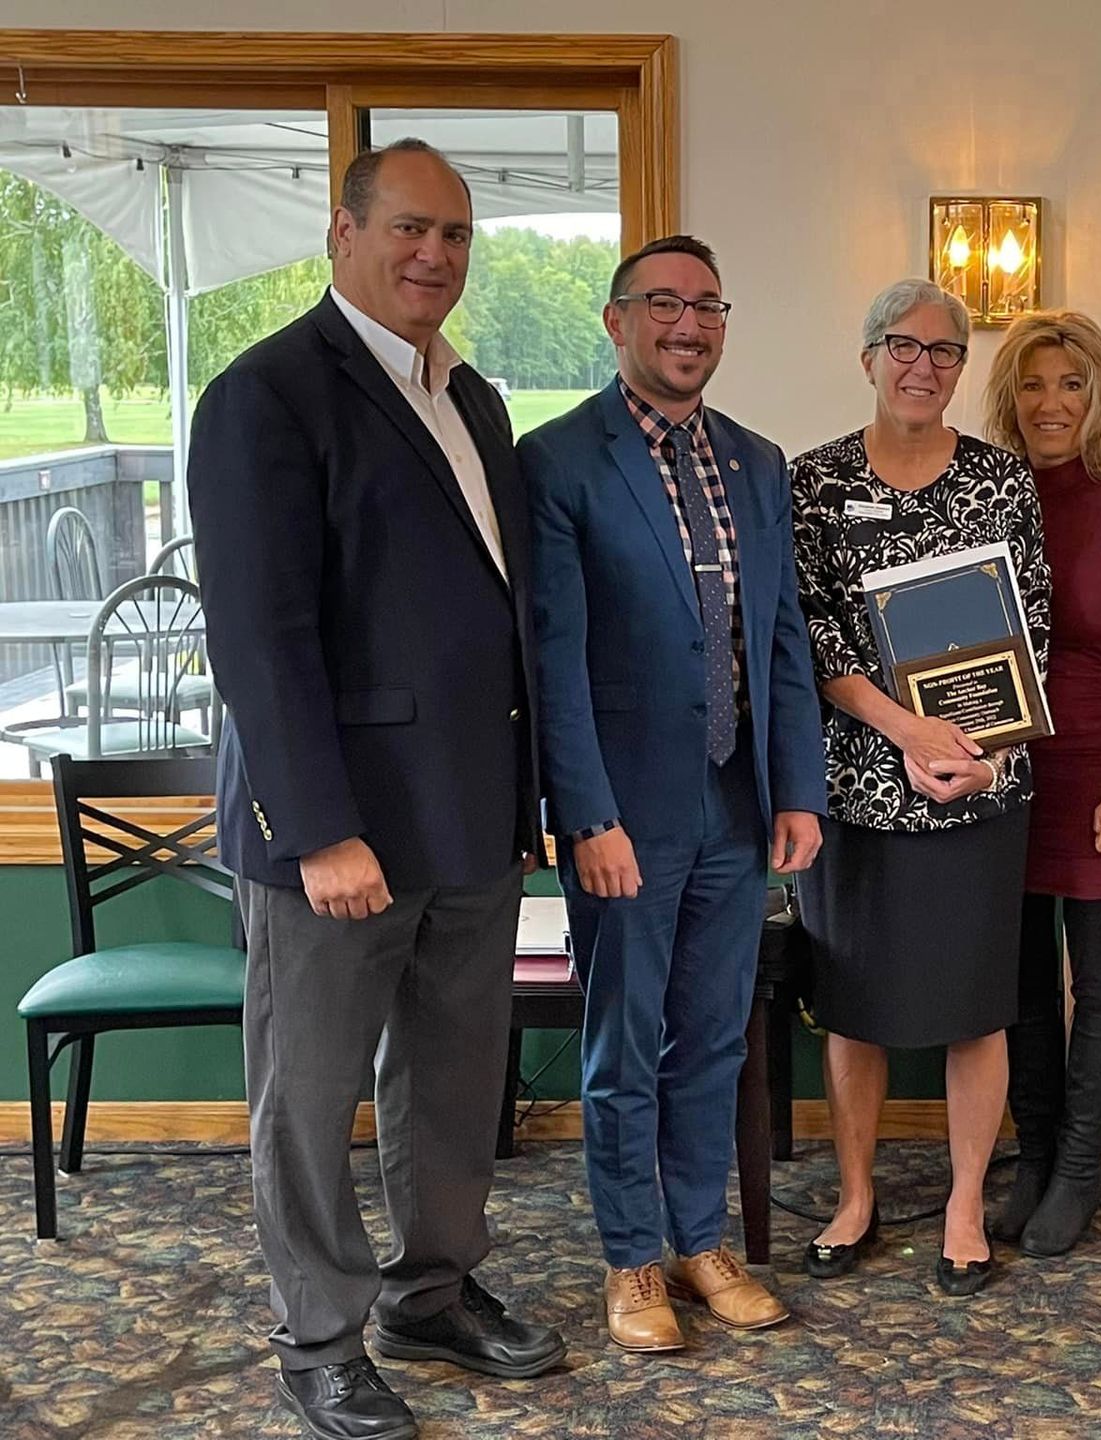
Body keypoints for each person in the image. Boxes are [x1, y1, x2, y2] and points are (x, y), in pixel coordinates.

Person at [189, 138, 565, 1440]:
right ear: (342, 234)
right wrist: (323, 828)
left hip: (467, 822)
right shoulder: (267, 395)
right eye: (411, 227)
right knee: (309, 1098)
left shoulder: (474, 400)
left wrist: (528, 803)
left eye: (457, 235)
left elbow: (496, 620)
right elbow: (260, 634)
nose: (436, 255)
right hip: (337, 838)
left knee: (457, 1081)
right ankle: (318, 1339)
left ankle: (434, 1291)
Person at [520, 235, 827, 1351]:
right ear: (616, 321)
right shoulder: (557, 462)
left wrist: (798, 788)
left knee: (711, 1039)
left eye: (708, 305)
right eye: (663, 304)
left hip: (736, 806)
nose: (688, 325)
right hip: (626, 818)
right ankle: (632, 1262)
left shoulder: (756, 461)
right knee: (624, 1044)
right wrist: (585, 815)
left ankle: (702, 1243)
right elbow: (553, 660)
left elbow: (781, 637)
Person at [790, 278, 1051, 1296]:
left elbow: (1027, 628)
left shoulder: (1002, 480)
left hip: (977, 784)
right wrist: (903, 729)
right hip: (856, 785)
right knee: (852, 1006)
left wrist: (977, 756)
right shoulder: (810, 482)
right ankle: (856, 1197)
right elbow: (807, 634)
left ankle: (960, 1203)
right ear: (867, 358)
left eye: (945, 352)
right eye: (903, 346)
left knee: (975, 1009)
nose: (922, 366)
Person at [979, 310, 1101, 1256]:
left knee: (1099, 982)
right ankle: (1036, 1154)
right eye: (1031, 385)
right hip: (1005, 773)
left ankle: (1080, 1174)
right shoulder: (981, 500)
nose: (1050, 404)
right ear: (1009, 400)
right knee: (1015, 978)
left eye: (1068, 385)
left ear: (1096, 394)